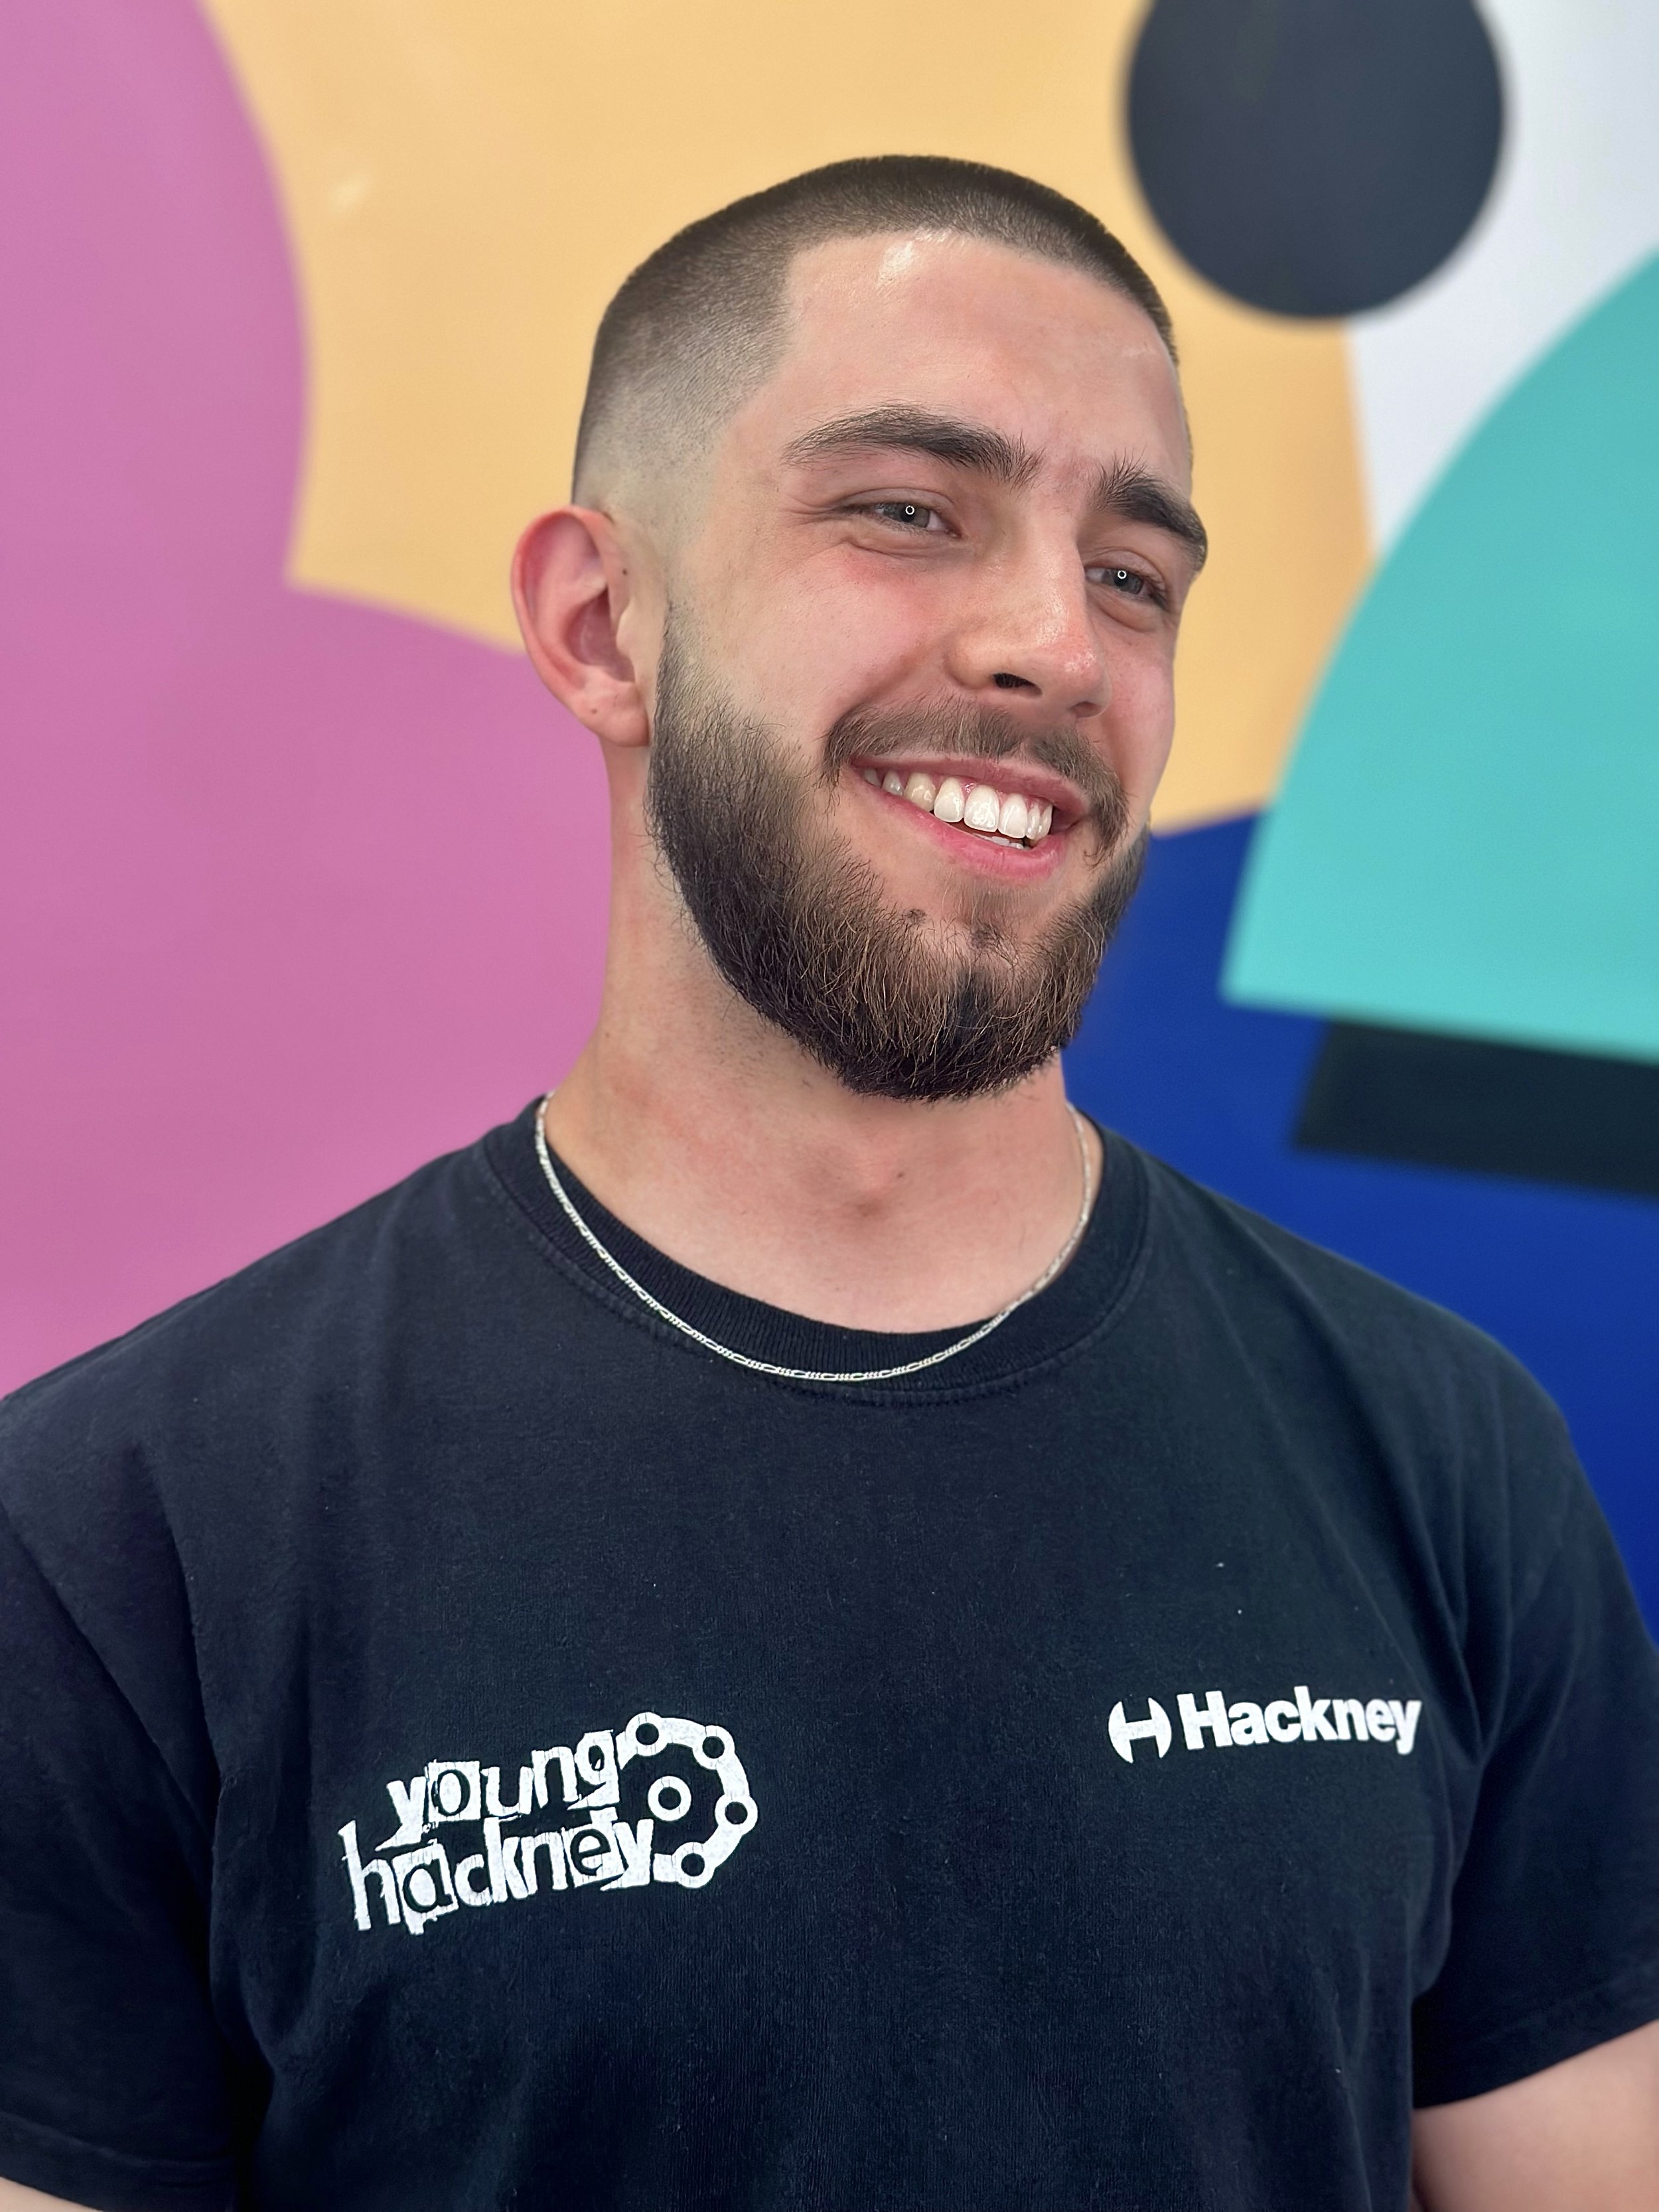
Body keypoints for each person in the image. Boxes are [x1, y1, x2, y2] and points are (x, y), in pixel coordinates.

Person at [1, 156, 1655, 2212]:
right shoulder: (116, 1543)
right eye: (907, 512)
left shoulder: (1446, 1462)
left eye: (1134, 573)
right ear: (602, 624)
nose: (1055, 641)